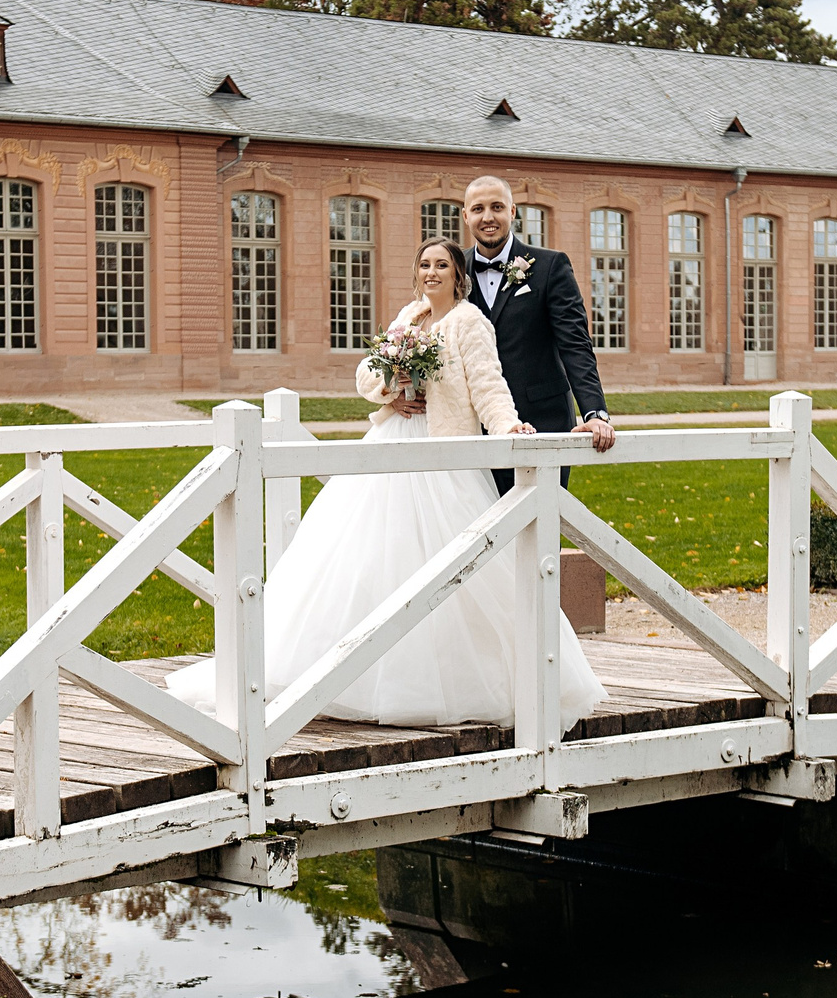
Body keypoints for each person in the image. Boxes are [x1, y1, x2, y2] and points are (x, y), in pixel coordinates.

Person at [165, 238, 608, 727]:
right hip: (391, 445)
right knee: (362, 556)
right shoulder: (409, 317)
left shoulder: (469, 322)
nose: (432, 272)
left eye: (442, 265)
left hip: (441, 454)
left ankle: (460, 679)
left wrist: (508, 427)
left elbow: (488, 385)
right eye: (425, 265)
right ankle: (334, 672)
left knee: (453, 563)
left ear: (457, 275)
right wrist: (391, 390)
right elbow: (366, 375)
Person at [390, 174, 615, 494]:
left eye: (496, 207)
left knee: (539, 518)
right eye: (478, 209)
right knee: (476, 518)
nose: (488, 217)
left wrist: (595, 413)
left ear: (512, 211)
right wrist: (398, 393)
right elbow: (424, 336)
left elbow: (575, 345)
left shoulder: (551, 266)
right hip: (472, 427)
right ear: (465, 216)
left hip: (542, 421)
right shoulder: (450, 268)